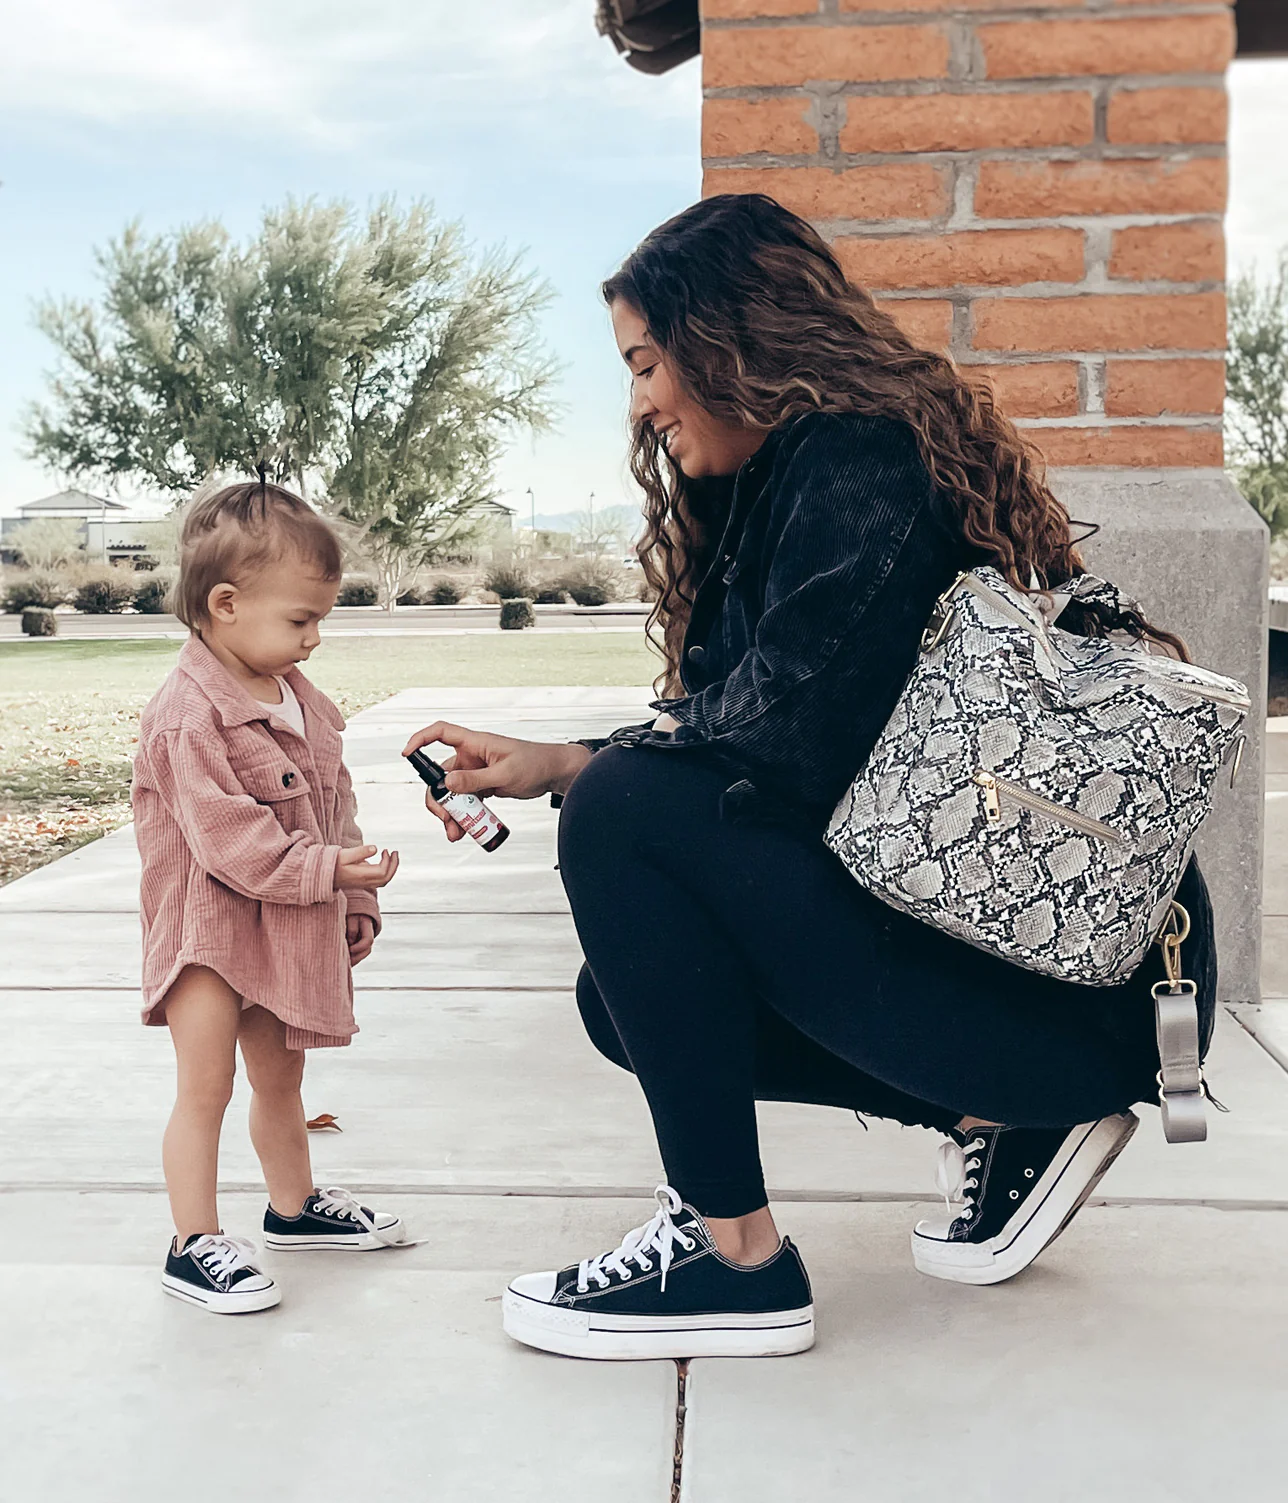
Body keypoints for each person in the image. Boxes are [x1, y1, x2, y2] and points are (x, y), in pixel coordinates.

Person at [403, 194, 1217, 1362]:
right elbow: (763, 730)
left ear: (730, 338)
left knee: (624, 812)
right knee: (622, 996)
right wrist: (559, 762)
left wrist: (577, 769)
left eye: (644, 364)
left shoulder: (863, 457)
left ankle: (731, 1258)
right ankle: (1003, 1116)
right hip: (1039, 1005)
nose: (638, 401)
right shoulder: (790, 481)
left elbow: (783, 728)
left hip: (1077, 1001)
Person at [132, 481, 403, 1314]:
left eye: (322, 617)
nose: (316, 637)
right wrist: (328, 871)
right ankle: (194, 1241)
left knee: (280, 1079)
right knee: (206, 1085)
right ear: (225, 605)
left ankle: (294, 1208)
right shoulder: (188, 716)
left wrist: (352, 897)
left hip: (279, 924)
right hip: (206, 934)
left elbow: (333, 798)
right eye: (301, 620)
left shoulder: (298, 698)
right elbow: (231, 842)